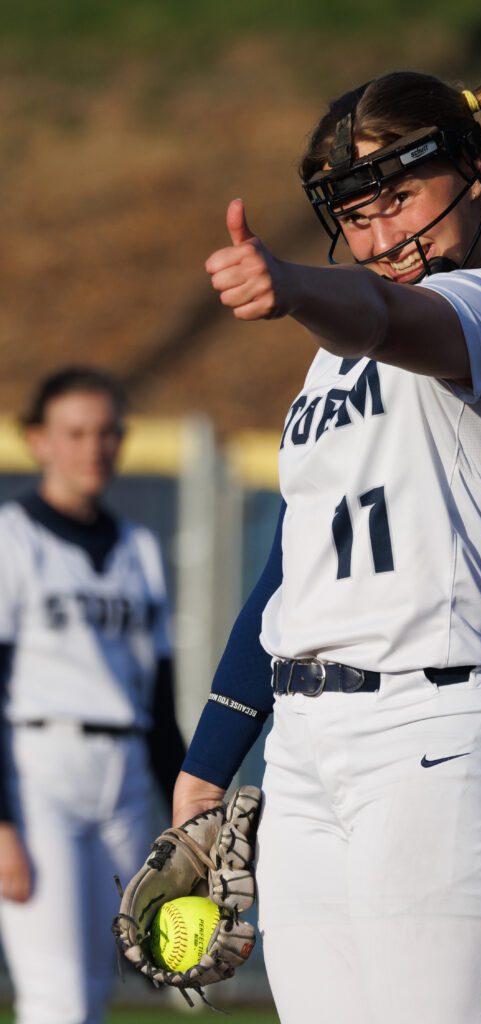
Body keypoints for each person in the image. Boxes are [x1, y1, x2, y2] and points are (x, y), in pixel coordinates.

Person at [173, 72, 481, 1023]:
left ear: (473, 171)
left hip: (432, 742)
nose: (383, 236)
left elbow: (394, 316)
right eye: (357, 217)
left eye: (399, 197)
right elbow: (293, 568)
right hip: (305, 750)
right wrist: (207, 765)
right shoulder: (332, 361)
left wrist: (290, 287)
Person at [0, 367, 186, 1024]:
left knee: (95, 991)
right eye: (74, 432)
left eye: (108, 432)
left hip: (128, 775)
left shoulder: (139, 546)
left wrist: (185, 813)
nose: (93, 448)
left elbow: (161, 700)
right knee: (58, 999)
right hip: (39, 771)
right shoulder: (11, 538)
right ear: (37, 440)